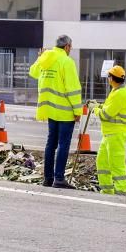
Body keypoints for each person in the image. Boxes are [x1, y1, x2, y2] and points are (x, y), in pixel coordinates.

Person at [29, 35, 83, 189]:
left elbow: (33, 72)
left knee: (50, 144)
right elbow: (72, 88)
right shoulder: (66, 62)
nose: (70, 50)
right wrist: (77, 110)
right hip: (65, 111)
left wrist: (39, 58)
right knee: (63, 144)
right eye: (70, 48)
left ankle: (48, 178)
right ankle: (59, 179)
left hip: (50, 110)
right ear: (66, 46)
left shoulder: (46, 59)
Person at [92, 65, 126, 195]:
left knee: (116, 163)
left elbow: (105, 115)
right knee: (102, 161)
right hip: (110, 134)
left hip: (116, 133)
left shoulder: (120, 93)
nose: (108, 79)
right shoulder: (117, 90)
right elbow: (108, 108)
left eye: (109, 76)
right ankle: (107, 190)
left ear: (112, 78)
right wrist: (98, 105)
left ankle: (121, 191)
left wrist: (94, 109)